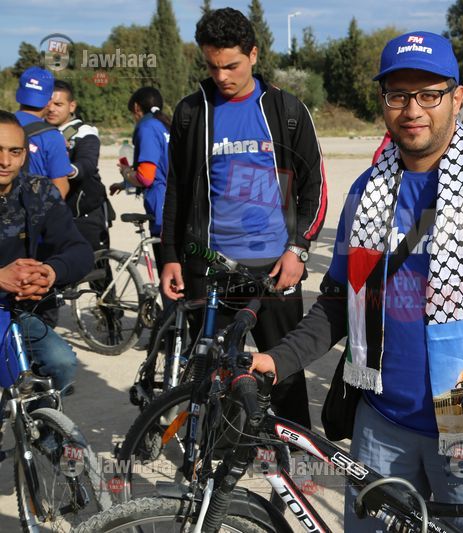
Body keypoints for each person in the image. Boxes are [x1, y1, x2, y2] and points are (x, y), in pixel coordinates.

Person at [249, 31, 463, 532]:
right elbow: (339, 302)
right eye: (398, 95)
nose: (412, 109)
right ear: (383, 102)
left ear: (457, 98)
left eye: (429, 94)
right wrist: (276, 359)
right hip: (381, 424)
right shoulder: (367, 191)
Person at [159, 7, 327, 430]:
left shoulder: (287, 110)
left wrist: (298, 249)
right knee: (212, 378)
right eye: (212, 66)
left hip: (275, 270)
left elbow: (315, 187)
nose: (221, 76)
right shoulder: (191, 113)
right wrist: (171, 256)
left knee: (284, 379)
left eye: (231, 65)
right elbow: (177, 190)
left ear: (253, 54)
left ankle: (292, 457)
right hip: (209, 271)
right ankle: (216, 459)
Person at [0, 110, 93, 394]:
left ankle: (41, 423)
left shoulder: (38, 191)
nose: (5, 161)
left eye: (14, 152)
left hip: (15, 311)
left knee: (61, 363)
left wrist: (49, 272)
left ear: (24, 155)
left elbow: (78, 249)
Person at [46, 80, 111, 252]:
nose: (51, 109)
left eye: (58, 104)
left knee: (96, 264)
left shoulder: (84, 132)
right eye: (48, 103)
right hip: (53, 214)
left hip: (85, 213)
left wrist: (66, 168)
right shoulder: (40, 131)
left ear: (72, 106)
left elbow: (88, 164)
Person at [110, 87, 170, 270]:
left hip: (160, 208)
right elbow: (162, 168)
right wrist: (125, 184)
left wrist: (126, 172)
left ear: (136, 107)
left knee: (168, 277)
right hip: (175, 204)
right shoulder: (165, 125)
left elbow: (145, 177)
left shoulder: (147, 127)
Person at [14, 66, 73, 199]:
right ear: (49, 100)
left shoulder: (4, 124)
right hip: (32, 207)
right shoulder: (52, 137)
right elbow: (60, 188)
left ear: (19, 93)